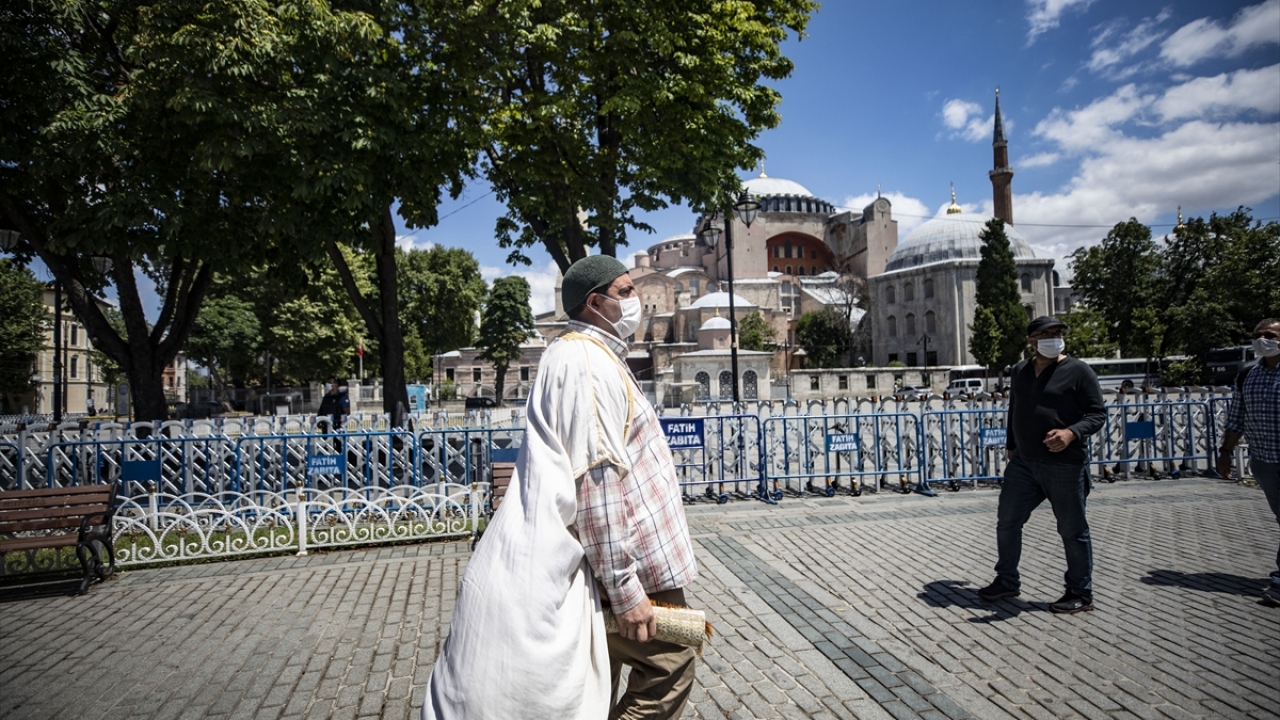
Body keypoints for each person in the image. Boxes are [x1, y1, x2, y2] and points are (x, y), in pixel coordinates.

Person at [420, 255, 699, 720]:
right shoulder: (584, 362)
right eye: (626, 292)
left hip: (609, 560)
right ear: (595, 303)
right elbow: (597, 482)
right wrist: (624, 588)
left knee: (599, 671)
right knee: (670, 663)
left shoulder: (587, 355)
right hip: (622, 563)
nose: (638, 301)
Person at [978, 316, 1106, 614]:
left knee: (1072, 530)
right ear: (1031, 341)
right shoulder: (1021, 370)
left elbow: (1097, 414)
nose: (1054, 338)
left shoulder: (1079, 371)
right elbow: (1015, 409)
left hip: (1065, 465)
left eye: (1058, 333)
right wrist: (1012, 445)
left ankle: (1080, 592)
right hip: (1024, 464)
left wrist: (1071, 433)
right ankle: (1007, 580)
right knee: (1008, 521)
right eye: (1047, 334)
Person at [1215, 318, 1280, 607]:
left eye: (1270, 335)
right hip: (1264, 461)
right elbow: (1237, 417)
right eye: (1258, 335)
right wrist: (1225, 452)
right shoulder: (1247, 376)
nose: (1263, 340)